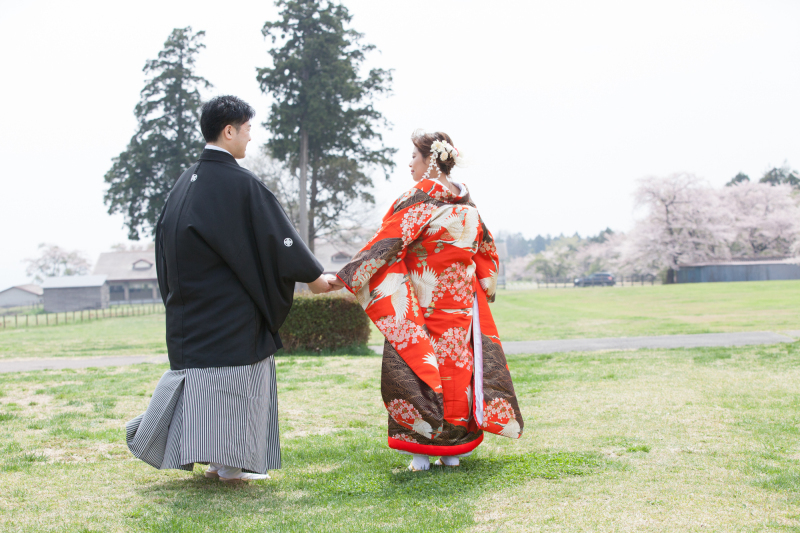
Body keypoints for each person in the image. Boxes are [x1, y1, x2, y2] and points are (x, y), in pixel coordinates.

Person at [126, 95, 335, 483]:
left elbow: (164, 251)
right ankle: (231, 466)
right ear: (229, 130)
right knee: (237, 388)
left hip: (190, 313)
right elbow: (277, 238)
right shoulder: (239, 183)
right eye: (248, 130)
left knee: (206, 390)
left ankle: (217, 462)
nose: (250, 139)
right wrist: (314, 277)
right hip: (230, 312)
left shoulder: (182, 184)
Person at [331, 130, 524, 471]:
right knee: (458, 371)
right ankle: (455, 446)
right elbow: (485, 250)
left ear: (430, 160)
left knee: (420, 368)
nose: (409, 164)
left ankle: (424, 450)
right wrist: (482, 281)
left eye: (413, 157)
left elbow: (387, 242)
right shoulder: (468, 204)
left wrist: (344, 277)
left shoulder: (420, 199)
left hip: (424, 299)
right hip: (461, 303)